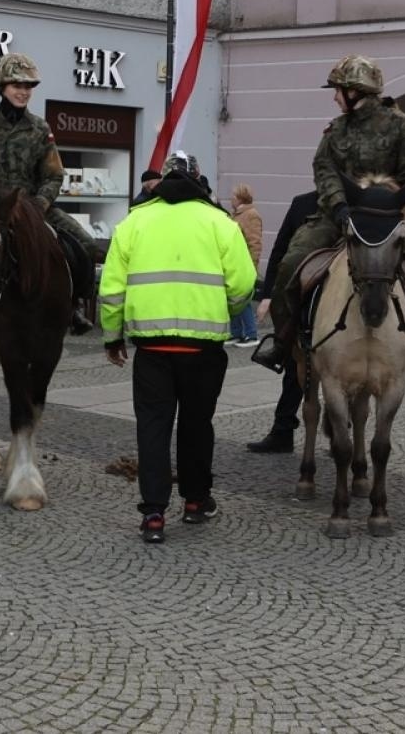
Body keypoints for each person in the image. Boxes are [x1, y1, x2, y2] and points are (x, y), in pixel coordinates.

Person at [251, 54, 405, 378]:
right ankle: (282, 341)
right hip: (337, 216)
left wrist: (403, 211)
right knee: (290, 265)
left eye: (338, 90)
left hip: (388, 221)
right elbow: (324, 170)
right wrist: (338, 206)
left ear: (356, 92)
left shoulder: (400, 126)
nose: (335, 97)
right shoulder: (336, 130)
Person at [100, 151, 256, 543]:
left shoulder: (134, 222)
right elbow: (243, 284)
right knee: (196, 425)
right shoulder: (220, 222)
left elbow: (112, 288)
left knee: (152, 428)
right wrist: (225, 309)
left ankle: (153, 514)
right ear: (199, 182)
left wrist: (112, 336)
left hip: (152, 349)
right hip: (203, 349)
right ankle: (195, 501)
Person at [0, 52, 97, 335]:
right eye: (17, 86)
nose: (23, 92)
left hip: (34, 207)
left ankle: (74, 306)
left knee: (86, 244)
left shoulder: (40, 128)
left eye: (28, 87)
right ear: (2, 87)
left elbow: (54, 175)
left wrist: (40, 203)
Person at [245, 188, 318, 453]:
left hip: (375, 206)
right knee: (294, 365)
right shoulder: (303, 203)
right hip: (306, 297)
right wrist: (267, 296)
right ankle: (283, 430)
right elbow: (279, 252)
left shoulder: (362, 197)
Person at [226, 184, 264, 348]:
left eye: (233, 196)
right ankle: (236, 333)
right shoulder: (238, 215)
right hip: (236, 263)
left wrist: (252, 266)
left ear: (240, 197)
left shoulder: (250, 215)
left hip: (245, 264)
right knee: (234, 298)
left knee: (243, 299)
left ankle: (251, 333)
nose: (231, 199)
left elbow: (254, 242)